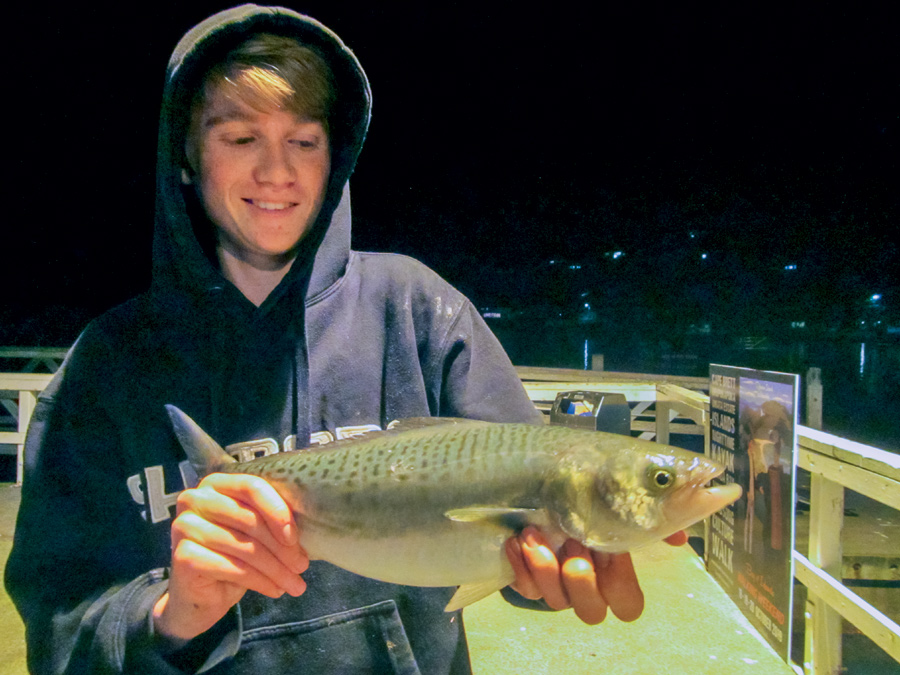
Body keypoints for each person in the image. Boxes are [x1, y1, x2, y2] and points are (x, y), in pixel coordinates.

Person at [6, 5, 684, 673]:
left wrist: (556, 568)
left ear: (335, 157)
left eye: (304, 141)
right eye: (240, 138)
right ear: (186, 157)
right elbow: (58, 627)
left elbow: (531, 516)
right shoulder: (107, 368)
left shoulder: (419, 311)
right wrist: (169, 615)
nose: (277, 171)